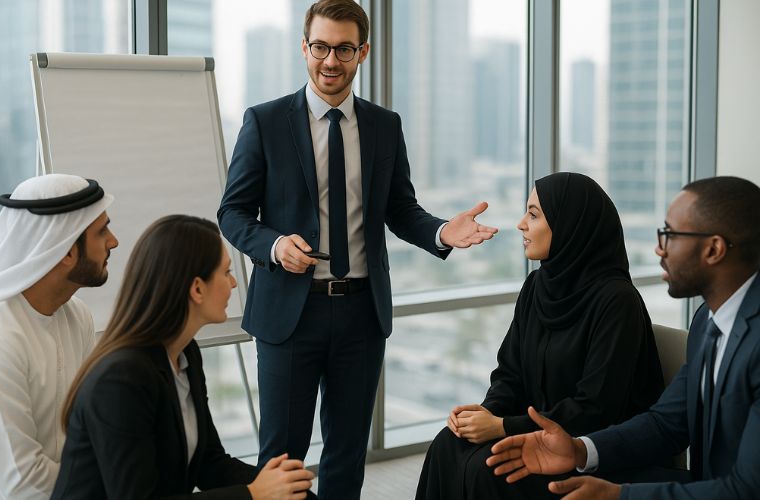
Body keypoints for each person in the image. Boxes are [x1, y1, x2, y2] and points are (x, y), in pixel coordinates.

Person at [217, 1, 497, 497]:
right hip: (289, 316)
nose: (331, 60)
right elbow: (232, 214)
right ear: (304, 49)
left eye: (344, 49)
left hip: (361, 315)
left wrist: (439, 232)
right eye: (321, 47)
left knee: (348, 457)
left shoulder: (384, 125)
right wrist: (276, 245)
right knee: (281, 460)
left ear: (362, 52)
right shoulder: (264, 122)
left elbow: (401, 210)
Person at [487, 176, 760, 499]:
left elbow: (747, 489)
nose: (659, 248)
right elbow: (666, 424)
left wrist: (620, 496)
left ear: (713, 249)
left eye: (669, 235)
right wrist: (579, 450)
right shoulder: (708, 322)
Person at [414, 172, 664, 499]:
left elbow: (596, 409)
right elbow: (509, 373)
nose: (520, 224)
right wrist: (485, 416)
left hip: (590, 449)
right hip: (533, 435)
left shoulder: (617, 302)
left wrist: (503, 427)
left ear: (570, 225)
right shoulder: (537, 287)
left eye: (533, 214)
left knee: (488, 470)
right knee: (449, 444)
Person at [51, 215, 315, 499]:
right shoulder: (120, 379)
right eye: (226, 272)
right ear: (197, 289)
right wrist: (252, 494)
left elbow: (209, 463)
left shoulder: (184, 353)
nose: (234, 283)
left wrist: (288, 488)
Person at [0, 174, 118, 499]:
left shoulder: (75, 315)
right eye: (102, 231)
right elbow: (22, 483)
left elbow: (86, 431)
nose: (114, 241)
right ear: (66, 251)